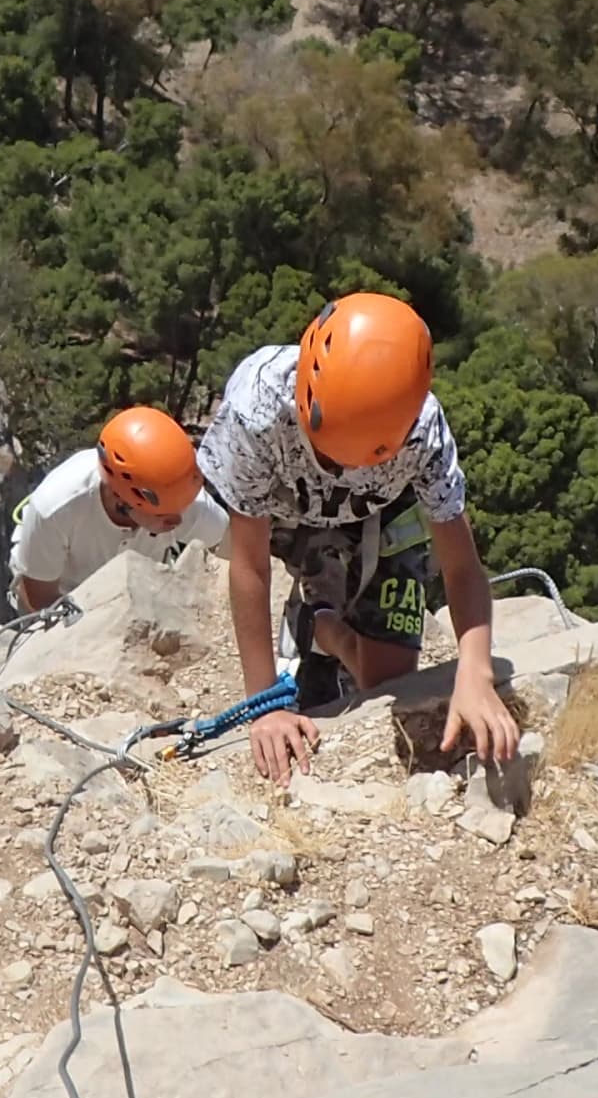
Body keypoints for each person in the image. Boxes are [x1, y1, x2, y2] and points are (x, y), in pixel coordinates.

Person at [194, 294, 523, 786]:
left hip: (385, 509)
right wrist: (263, 704)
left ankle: (321, 626)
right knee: (359, 667)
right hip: (292, 512)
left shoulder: (423, 432)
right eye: (329, 455)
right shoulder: (255, 412)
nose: (342, 471)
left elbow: (461, 564)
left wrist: (474, 672)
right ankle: (315, 617)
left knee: (385, 682)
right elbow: (249, 565)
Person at [7, 406, 231, 614]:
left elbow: (231, 548)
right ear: (121, 498)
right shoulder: (56, 508)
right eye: (164, 516)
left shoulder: (180, 497)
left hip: (139, 592)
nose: (176, 522)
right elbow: (37, 598)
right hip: (63, 595)